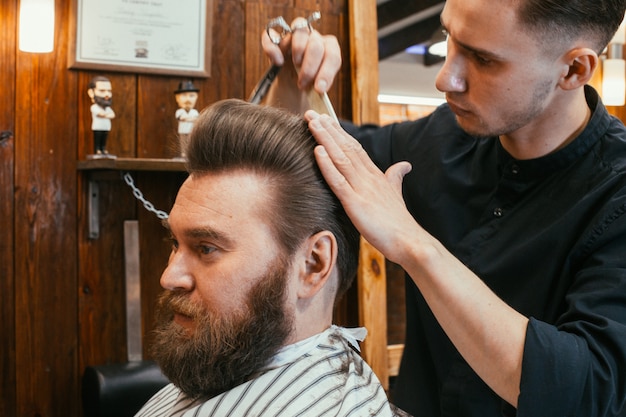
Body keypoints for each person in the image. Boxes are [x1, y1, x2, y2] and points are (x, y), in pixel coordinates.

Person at [261, 1, 626, 416]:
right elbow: (312, 154)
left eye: (483, 59)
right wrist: (298, 80)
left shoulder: (615, 197)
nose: (444, 78)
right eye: (449, 37)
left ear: (575, 70)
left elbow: (588, 389)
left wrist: (414, 245)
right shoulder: (440, 137)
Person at [135, 99, 404, 417]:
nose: (169, 276)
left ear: (313, 265)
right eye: (174, 243)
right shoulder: (224, 363)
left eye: (206, 248)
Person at [87, 76, 115, 158]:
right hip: (98, 127)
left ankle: (103, 149)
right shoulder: (94, 107)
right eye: (102, 91)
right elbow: (101, 114)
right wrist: (106, 115)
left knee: (104, 139)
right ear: (91, 93)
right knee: (98, 139)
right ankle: (98, 150)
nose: (107, 94)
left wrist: (105, 115)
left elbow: (112, 115)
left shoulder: (108, 108)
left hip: (106, 127)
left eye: (109, 91)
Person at [174, 80, 200, 158]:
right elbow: (181, 118)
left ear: (196, 97)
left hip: (191, 130)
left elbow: (196, 119)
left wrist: (187, 119)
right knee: (183, 142)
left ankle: (190, 154)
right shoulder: (179, 111)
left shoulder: (194, 112)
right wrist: (190, 119)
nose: (188, 99)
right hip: (182, 130)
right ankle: (184, 154)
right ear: (177, 98)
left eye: (191, 96)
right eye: (184, 95)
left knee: (190, 142)